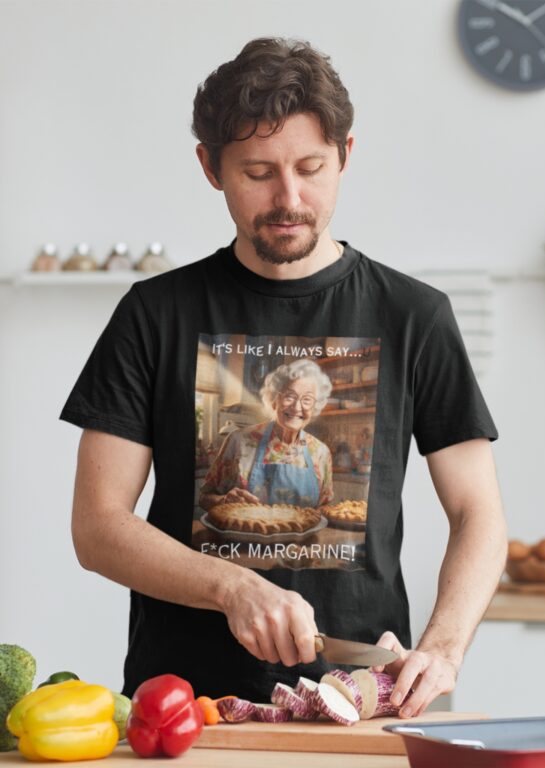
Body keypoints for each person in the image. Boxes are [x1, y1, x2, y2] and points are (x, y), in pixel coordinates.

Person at [61, 37, 507, 718]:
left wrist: (443, 648)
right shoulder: (154, 314)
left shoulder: (415, 316)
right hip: (184, 709)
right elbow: (97, 526)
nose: (288, 198)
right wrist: (232, 586)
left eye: (311, 167)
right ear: (211, 167)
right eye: (258, 172)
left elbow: (478, 514)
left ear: (346, 157)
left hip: (364, 703)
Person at [199, 359, 334, 511]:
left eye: (307, 400)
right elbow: (204, 498)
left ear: (315, 406)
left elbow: (324, 510)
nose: (297, 407)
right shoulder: (237, 441)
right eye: (289, 396)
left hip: (304, 535)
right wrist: (223, 500)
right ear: (274, 399)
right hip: (246, 532)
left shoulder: (321, 453)